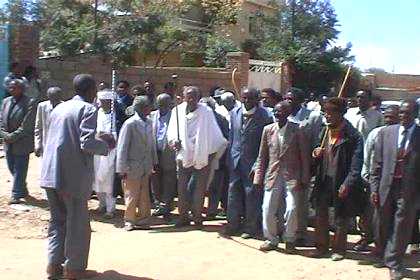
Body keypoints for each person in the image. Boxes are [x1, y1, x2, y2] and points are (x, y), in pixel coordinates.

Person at [40, 74, 113, 280]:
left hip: (50, 174)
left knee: (57, 222)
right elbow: (86, 143)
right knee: (77, 225)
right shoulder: (88, 109)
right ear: (91, 91)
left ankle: (54, 267)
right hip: (71, 176)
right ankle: (74, 269)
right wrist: (106, 144)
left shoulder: (59, 108)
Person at [370, 100, 420, 280]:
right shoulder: (386, 133)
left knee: (401, 226)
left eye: (408, 113)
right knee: (382, 223)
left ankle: (395, 263)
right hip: (385, 186)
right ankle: (385, 254)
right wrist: (374, 188)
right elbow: (376, 164)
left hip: (409, 190)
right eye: (402, 113)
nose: (403, 116)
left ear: (415, 115)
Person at [311, 97, 364, 261]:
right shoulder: (324, 131)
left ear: (341, 113)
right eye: (325, 112)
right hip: (323, 179)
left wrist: (348, 183)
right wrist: (315, 154)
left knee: (341, 217)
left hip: (341, 181)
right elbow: (315, 153)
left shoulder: (353, 136)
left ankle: (339, 250)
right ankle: (321, 247)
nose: (327, 116)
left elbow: (357, 164)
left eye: (331, 112)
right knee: (320, 214)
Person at [253, 101, 310, 252]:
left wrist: (305, 178)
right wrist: (258, 177)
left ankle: (290, 239)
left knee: (291, 208)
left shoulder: (297, 130)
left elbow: (304, 157)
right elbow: (262, 156)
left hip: (292, 176)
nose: (278, 115)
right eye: (276, 112)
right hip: (272, 175)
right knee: (267, 208)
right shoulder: (268, 130)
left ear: (288, 113)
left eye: (281, 112)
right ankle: (271, 239)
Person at [167, 86, 227, 227]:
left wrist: (210, 154)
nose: (191, 99)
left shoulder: (206, 112)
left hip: (202, 154)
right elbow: (171, 132)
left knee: (200, 189)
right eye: (189, 96)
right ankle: (183, 216)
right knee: (182, 188)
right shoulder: (177, 111)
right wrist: (173, 141)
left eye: (194, 96)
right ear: (183, 97)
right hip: (184, 154)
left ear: (199, 98)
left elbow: (215, 135)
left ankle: (197, 216)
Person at [223, 87, 273, 239]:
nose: (246, 101)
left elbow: (266, 145)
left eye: (250, 98)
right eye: (244, 98)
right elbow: (232, 138)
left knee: (251, 195)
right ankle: (233, 224)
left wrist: (259, 164)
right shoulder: (235, 113)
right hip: (235, 161)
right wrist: (229, 159)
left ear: (257, 99)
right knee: (232, 194)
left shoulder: (265, 117)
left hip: (253, 163)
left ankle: (250, 228)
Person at [345, 89, 384, 251]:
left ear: (370, 100)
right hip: (349, 163)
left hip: (367, 165)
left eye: (363, 97)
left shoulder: (377, 117)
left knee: (366, 203)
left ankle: (366, 235)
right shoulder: (350, 114)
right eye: (358, 96)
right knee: (351, 199)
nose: (360, 99)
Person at [284, 87, 323, 245]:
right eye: (286, 98)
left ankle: (300, 233)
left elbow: (315, 142)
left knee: (300, 203)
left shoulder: (312, 117)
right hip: (283, 166)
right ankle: (285, 230)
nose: (287, 102)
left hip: (302, 166)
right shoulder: (280, 114)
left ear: (300, 101)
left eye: (291, 99)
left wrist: (312, 163)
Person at [116, 96, 157, 231]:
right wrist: (122, 168)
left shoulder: (150, 122)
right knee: (131, 194)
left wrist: (154, 162)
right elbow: (122, 147)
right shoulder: (130, 124)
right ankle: (129, 220)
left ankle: (144, 219)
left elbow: (152, 144)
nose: (149, 109)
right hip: (132, 165)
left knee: (145, 194)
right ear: (140, 108)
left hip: (146, 164)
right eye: (147, 107)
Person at [0, 79, 37, 204]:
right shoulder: (5, 102)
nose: (11, 90)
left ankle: (16, 194)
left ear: (22, 89)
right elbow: (1, 120)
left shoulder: (30, 102)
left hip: (22, 142)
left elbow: (27, 125)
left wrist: (13, 136)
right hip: (8, 142)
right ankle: (22, 189)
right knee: (11, 167)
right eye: (10, 87)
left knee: (20, 169)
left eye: (14, 87)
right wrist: (5, 135)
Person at [199, 97, 230, 219]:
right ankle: (197, 209)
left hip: (218, 159)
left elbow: (226, 139)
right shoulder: (198, 119)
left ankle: (211, 211)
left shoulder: (221, 119)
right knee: (199, 186)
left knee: (215, 187)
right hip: (199, 159)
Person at [150, 93, 177, 217]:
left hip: (169, 153)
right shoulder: (152, 116)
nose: (162, 107)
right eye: (160, 104)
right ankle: (157, 204)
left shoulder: (175, 117)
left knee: (169, 180)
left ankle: (166, 205)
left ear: (169, 104)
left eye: (165, 104)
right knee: (155, 180)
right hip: (155, 152)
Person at [93, 89, 118, 219]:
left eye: (104, 102)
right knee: (97, 179)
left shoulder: (115, 115)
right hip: (97, 151)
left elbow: (115, 134)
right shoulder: (98, 113)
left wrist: (108, 135)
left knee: (109, 180)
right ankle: (101, 204)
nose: (102, 104)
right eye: (101, 101)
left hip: (111, 151)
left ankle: (110, 209)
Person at [34, 87, 63, 158]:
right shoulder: (42, 106)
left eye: (56, 98)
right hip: (46, 143)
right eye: (52, 98)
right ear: (48, 96)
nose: (54, 101)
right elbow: (38, 127)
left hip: (60, 144)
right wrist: (37, 144)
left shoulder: (65, 106)